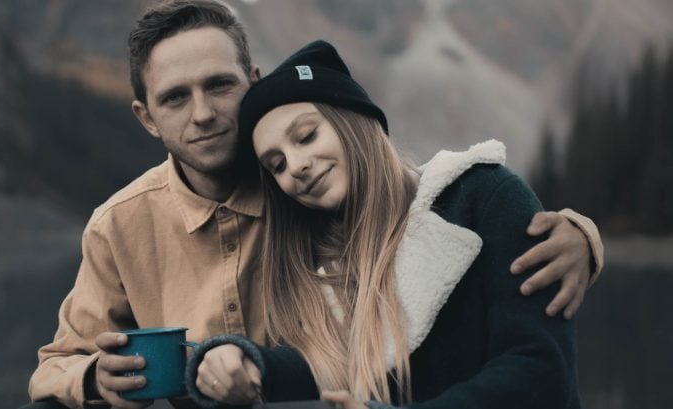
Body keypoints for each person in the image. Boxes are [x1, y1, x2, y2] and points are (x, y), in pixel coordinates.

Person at [25, 1, 602, 408]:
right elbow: (57, 365)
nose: (202, 114)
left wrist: (579, 234)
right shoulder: (120, 226)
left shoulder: (317, 199)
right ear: (147, 117)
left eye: (219, 85)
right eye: (175, 98)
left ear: (252, 82)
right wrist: (95, 378)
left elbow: (406, 203)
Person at [186, 40, 584, 409]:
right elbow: (324, 363)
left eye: (306, 136)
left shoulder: (484, 195)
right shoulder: (324, 263)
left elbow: (539, 370)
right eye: (277, 165)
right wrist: (246, 362)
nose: (296, 166)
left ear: (353, 120)